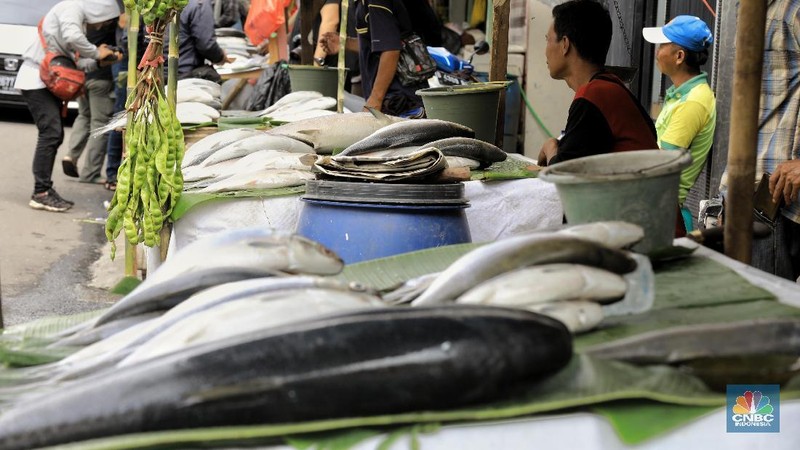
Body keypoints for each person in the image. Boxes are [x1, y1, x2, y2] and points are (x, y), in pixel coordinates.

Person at [13, 0, 121, 212]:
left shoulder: (77, 21)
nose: (101, 27)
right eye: (104, 22)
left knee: (54, 134)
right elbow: (74, 39)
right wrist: (97, 53)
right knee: (51, 133)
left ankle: (44, 189)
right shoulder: (72, 8)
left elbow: (75, 63)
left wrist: (100, 62)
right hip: (36, 78)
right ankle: (41, 192)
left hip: (47, 79)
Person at [719, 0, 800, 281]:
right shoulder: (750, 10)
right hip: (747, 193)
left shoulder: (792, 10)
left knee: (765, 315)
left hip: (775, 199)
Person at [537, 0, 658, 167]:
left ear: (565, 44)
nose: (545, 51)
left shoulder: (593, 95)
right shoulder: (609, 87)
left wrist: (550, 147)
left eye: (547, 40)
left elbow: (563, 173)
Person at [643, 15, 717, 232]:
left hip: (664, 214)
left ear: (679, 56)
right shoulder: (683, 95)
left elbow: (660, 164)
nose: (657, 51)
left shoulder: (693, 102)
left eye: (662, 45)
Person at [319, 0, 428, 117]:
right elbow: (378, 44)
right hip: (393, 99)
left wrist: (376, 99)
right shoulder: (361, 4)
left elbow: (390, 50)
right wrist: (344, 43)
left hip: (401, 101)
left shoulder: (376, 2)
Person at [62, 20, 119, 185]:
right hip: (101, 79)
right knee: (100, 124)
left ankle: (71, 155)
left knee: (84, 116)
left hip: (83, 76)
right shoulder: (111, 21)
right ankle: (91, 172)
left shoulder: (87, 22)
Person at [176, 0, 234, 81]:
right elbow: (206, 45)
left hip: (160, 71)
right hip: (184, 74)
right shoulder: (200, 3)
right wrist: (220, 57)